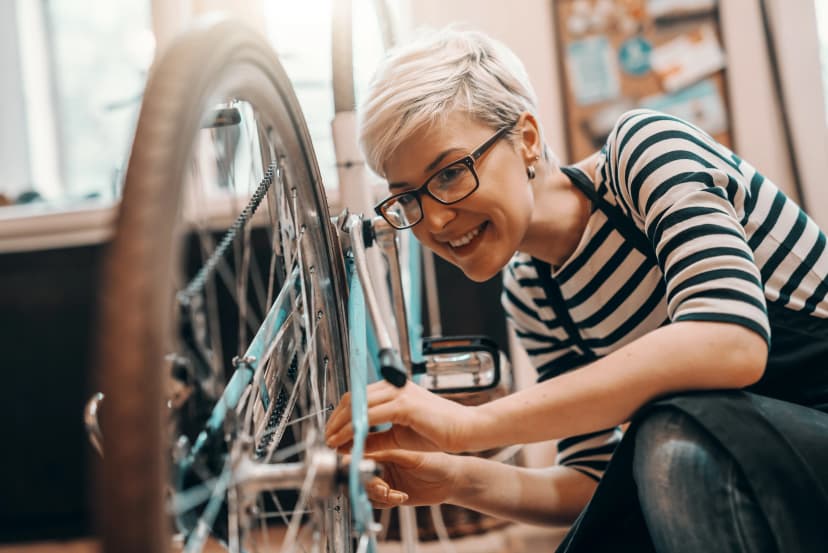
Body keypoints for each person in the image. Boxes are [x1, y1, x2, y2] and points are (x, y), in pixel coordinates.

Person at [325, 27, 828, 552]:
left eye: (450, 173)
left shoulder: (645, 151)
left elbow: (729, 340)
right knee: (656, 455)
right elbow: (592, 479)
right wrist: (456, 479)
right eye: (407, 197)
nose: (434, 219)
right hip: (750, 466)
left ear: (527, 139)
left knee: (670, 438)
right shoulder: (532, 293)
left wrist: (468, 426)